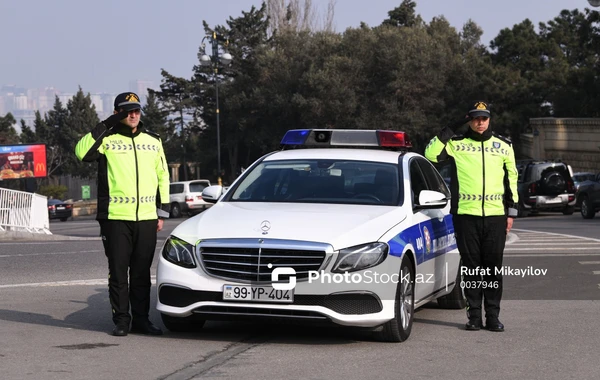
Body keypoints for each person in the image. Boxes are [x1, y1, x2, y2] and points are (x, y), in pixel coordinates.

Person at [75, 92, 170, 337]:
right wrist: (107, 124)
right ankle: (121, 321)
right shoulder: (107, 139)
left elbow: (163, 176)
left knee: (140, 273)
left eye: (136, 110)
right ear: (118, 112)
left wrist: (162, 212)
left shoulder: (154, 140)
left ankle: (141, 320)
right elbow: (81, 152)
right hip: (115, 218)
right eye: (127, 111)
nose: (133, 115)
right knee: (118, 272)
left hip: (147, 218)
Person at [424, 100, 518, 332]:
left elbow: (512, 178)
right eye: (475, 118)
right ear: (470, 119)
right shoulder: (458, 144)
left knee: (492, 268)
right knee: (472, 268)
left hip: (496, 217)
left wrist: (512, 211)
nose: (480, 122)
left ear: (489, 119)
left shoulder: (504, 145)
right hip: (465, 216)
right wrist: (450, 130)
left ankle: (493, 317)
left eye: (484, 118)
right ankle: (474, 316)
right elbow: (430, 155)